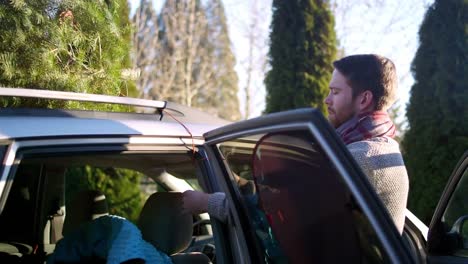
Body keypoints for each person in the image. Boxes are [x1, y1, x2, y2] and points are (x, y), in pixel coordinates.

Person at [183, 54, 409, 234]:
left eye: (336, 92)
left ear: (364, 99)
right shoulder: (381, 148)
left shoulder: (360, 157)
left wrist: (206, 202)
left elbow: (277, 213)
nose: (327, 99)